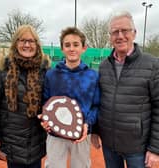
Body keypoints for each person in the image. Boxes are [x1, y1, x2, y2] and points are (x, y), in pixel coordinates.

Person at [92, 11, 159, 168]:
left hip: (137, 148)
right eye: (115, 32)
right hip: (109, 144)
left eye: (125, 30)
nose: (120, 36)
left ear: (134, 33)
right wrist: (95, 130)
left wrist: (155, 149)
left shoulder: (152, 65)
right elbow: (98, 101)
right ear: (110, 36)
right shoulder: (103, 66)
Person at [40, 27, 100, 168]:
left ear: (84, 48)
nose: (71, 48)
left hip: (81, 134)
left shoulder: (92, 75)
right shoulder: (51, 75)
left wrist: (88, 124)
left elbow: (96, 105)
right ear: (62, 49)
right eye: (67, 45)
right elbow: (45, 101)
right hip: (55, 133)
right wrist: (45, 119)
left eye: (76, 44)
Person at [0, 25, 50, 168]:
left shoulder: (45, 70)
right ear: (15, 43)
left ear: (37, 44)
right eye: (22, 40)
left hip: (36, 145)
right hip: (12, 145)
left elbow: (49, 103)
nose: (27, 45)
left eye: (31, 41)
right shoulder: (0, 69)